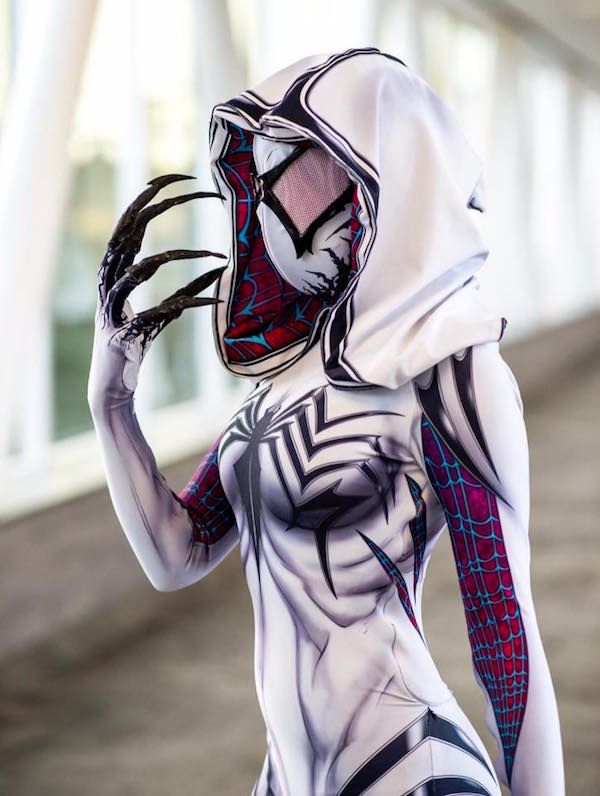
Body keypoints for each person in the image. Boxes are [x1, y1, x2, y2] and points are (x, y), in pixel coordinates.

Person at [88, 47, 565, 795]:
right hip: (287, 776)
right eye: (268, 178)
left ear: (381, 176)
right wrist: (111, 405)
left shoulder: (450, 371)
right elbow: (176, 554)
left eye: (299, 175)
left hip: (412, 768)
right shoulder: (284, 377)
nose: (274, 210)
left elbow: (504, 632)